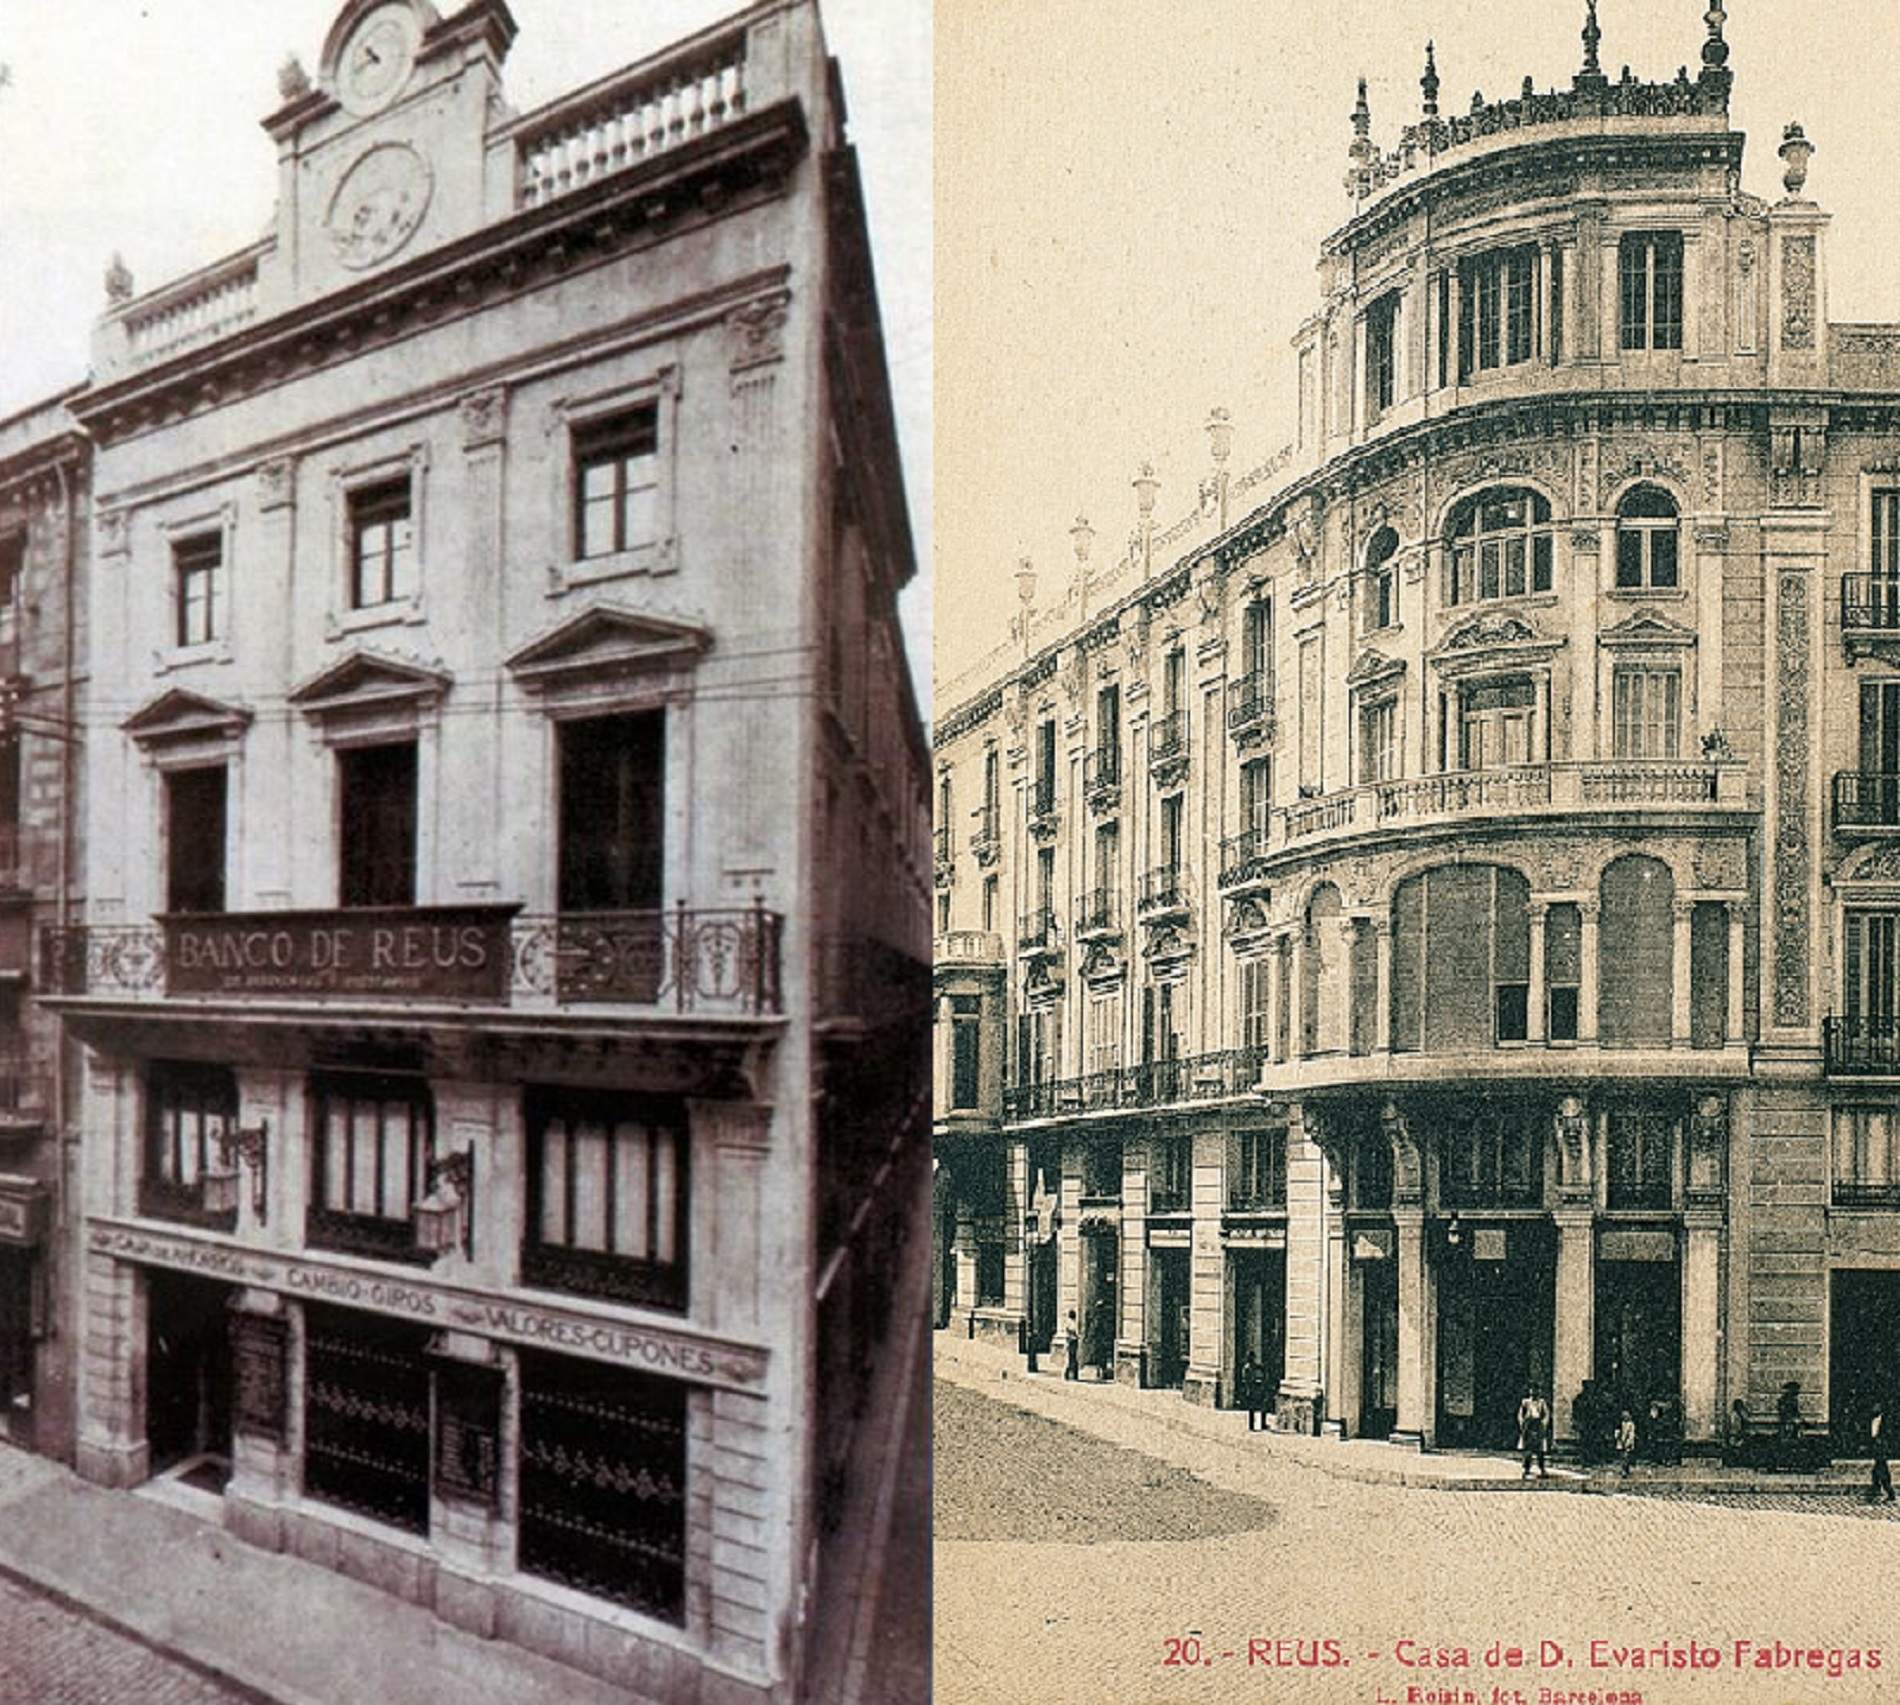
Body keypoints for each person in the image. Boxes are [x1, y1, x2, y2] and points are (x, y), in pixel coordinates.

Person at [1517, 1386, 1551, 1479]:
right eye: (1532, 1390)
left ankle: (1542, 1469)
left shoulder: (1542, 1402)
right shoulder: (1525, 1402)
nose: (1534, 1392)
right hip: (1528, 1426)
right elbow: (1520, 1415)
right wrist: (1523, 1425)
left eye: (1536, 1390)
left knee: (1540, 1450)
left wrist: (1543, 1425)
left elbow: (1546, 1414)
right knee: (1528, 1449)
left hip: (1538, 1425)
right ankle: (1526, 1469)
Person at [1777, 1380, 1802, 1472]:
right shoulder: (1785, 1400)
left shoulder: (1793, 1400)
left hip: (1793, 1425)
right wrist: (1791, 1421)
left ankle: (1791, 1464)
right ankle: (1785, 1464)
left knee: (1794, 1445)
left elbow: (1797, 1413)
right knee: (1787, 1444)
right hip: (1787, 1425)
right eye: (1796, 1390)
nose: (1798, 1392)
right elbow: (1784, 1414)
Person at [1873, 1402, 1895, 1506]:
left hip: (1882, 1448)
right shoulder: (1873, 1420)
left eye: (1876, 1407)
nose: (1874, 1408)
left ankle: (1889, 1493)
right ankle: (1880, 1492)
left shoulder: (1886, 1421)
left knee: (1881, 1470)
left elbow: (1888, 1434)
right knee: (1878, 1471)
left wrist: (1883, 1443)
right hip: (1876, 1448)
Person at [1240, 1351, 1266, 1432]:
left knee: (1260, 1407)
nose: (1252, 1359)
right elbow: (1245, 1380)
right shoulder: (1247, 1368)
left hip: (1256, 1389)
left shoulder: (1254, 1366)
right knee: (1254, 1408)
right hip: (1252, 1389)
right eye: (1251, 1357)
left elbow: (1262, 1371)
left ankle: (1260, 1424)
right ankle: (1253, 1425)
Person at [1615, 1409, 1638, 1478]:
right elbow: (1617, 1432)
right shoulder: (1620, 1424)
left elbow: (1631, 1434)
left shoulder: (1631, 1424)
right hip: (1621, 1442)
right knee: (1622, 1457)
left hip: (1628, 1443)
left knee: (1626, 1457)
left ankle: (1625, 1470)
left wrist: (1628, 1442)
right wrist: (1618, 1437)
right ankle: (1624, 1469)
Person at [1061, 1309, 1080, 1381]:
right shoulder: (1071, 1323)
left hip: (1071, 1341)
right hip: (1071, 1342)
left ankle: (1070, 1375)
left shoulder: (1070, 1322)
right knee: (1071, 1358)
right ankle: (1068, 1375)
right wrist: (1074, 1336)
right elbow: (1069, 1331)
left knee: (1072, 1358)